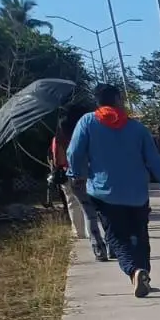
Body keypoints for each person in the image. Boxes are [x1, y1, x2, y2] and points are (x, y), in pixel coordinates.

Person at [67, 83, 160, 297]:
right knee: (140, 235)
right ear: (118, 100)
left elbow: (74, 152)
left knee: (117, 237)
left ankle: (135, 271)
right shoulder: (137, 128)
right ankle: (143, 271)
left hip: (104, 192)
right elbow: (154, 160)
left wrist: (76, 174)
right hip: (137, 194)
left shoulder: (88, 122)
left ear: (97, 102)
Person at [50, 106, 109, 261]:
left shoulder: (58, 139)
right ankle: (112, 245)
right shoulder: (87, 133)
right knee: (102, 211)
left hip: (71, 176)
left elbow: (59, 161)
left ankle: (91, 242)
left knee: (79, 208)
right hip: (93, 175)